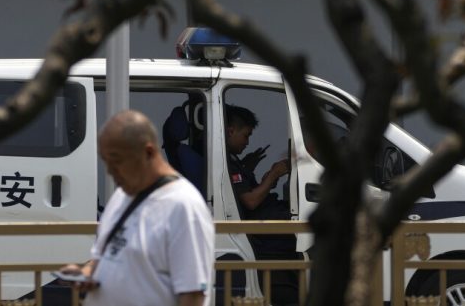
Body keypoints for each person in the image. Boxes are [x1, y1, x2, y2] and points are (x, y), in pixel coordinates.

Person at [60, 110, 214, 306]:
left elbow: (192, 296)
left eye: (116, 160)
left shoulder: (183, 207)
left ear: (148, 153)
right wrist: (85, 273)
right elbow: (104, 257)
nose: (109, 171)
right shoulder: (120, 197)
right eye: (105, 161)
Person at [224, 104, 300, 305]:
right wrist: (274, 174)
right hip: (260, 228)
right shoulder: (228, 164)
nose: (248, 142)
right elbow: (250, 201)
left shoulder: (234, 162)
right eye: (246, 135)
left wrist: (252, 169)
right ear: (231, 131)